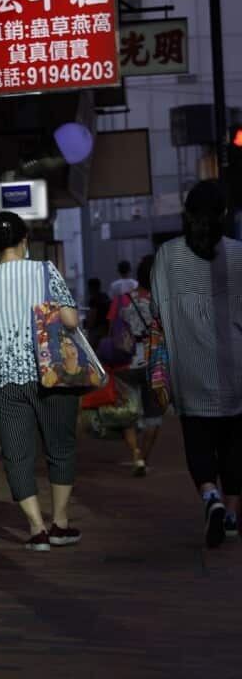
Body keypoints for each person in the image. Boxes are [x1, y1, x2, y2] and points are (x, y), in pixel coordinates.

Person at [0, 212, 83, 552]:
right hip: (51, 374)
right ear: (23, 241)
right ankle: (60, 523)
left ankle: (36, 529)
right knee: (60, 449)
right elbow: (70, 319)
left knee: (18, 455)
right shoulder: (45, 271)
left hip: (7, 380)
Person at [150, 180, 242, 548]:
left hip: (188, 370)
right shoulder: (238, 255)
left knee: (198, 441)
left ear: (186, 214)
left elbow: (157, 311)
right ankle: (232, 515)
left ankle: (210, 496)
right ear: (223, 214)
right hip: (236, 369)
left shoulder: (167, 256)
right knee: (235, 442)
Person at [106, 254, 164, 477]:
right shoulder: (162, 302)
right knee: (154, 416)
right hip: (154, 363)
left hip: (125, 363)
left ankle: (135, 453)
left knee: (127, 413)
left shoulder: (121, 300)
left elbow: (112, 330)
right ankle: (144, 459)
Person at [84, 277, 111, 345]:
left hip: (96, 331)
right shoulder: (105, 297)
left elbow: (92, 316)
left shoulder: (94, 300)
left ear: (90, 288)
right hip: (107, 329)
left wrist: (87, 326)